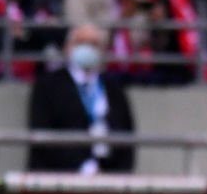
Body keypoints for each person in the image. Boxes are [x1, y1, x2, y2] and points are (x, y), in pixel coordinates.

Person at [27, 23, 135, 173]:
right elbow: (42, 135)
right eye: (81, 43)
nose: (87, 49)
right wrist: (82, 167)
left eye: (93, 44)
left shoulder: (114, 89)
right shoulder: (48, 86)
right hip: (61, 177)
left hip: (108, 178)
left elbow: (127, 135)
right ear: (67, 47)